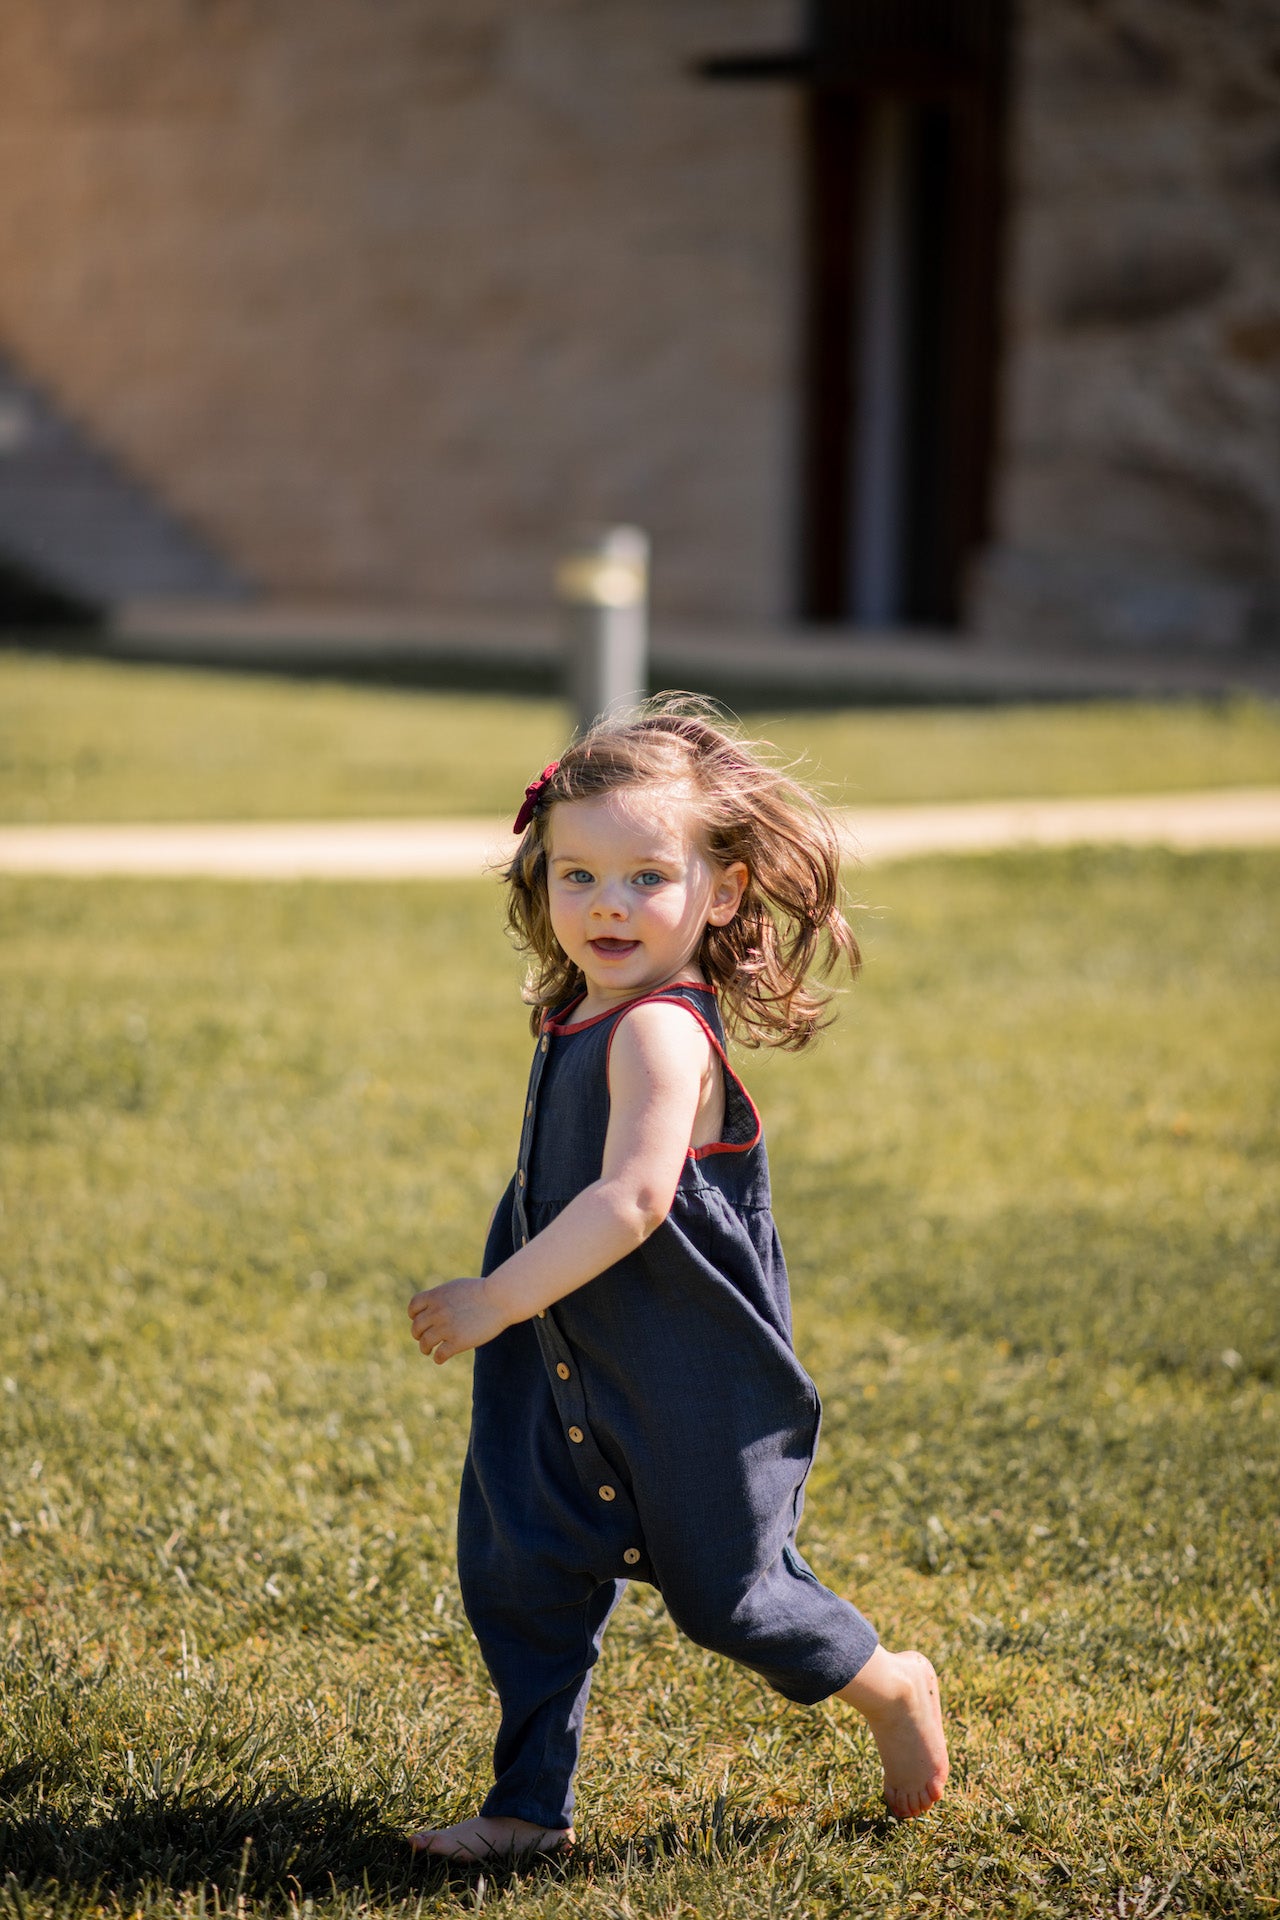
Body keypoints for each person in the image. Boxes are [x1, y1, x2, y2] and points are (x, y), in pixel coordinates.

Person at [406, 698, 948, 1863]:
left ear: (726, 888)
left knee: (731, 1598)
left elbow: (635, 1200)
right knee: (521, 1572)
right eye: (576, 875)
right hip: (558, 1373)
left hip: (680, 1374)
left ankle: (892, 1685)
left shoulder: (659, 1032)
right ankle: (525, 1808)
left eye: (647, 876)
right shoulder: (574, 1010)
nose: (606, 904)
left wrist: (498, 1297)